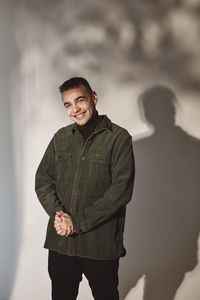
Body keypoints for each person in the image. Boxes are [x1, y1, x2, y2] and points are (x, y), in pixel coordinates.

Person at [35, 77, 135, 300]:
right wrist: (59, 215)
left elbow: (120, 192)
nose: (75, 109)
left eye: (80, 100)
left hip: (100, 245)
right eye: (68, 104)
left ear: (94, 97)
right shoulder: (60, 138)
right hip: (61, 244)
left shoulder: (119, 139)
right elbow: (43, 180)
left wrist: (78, 223)